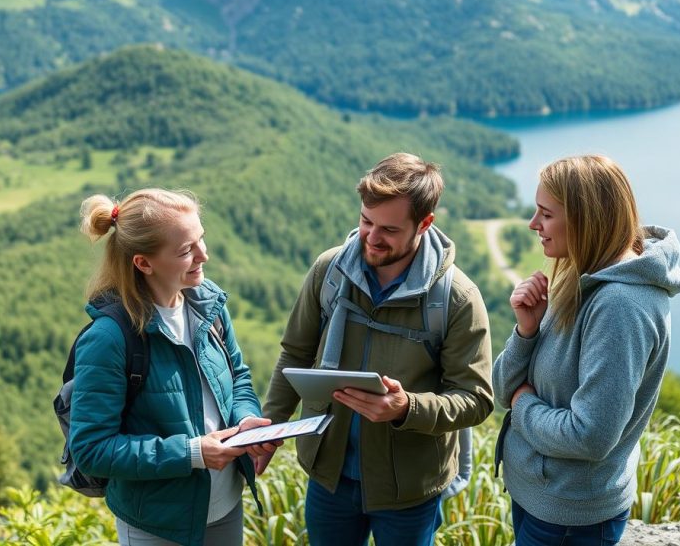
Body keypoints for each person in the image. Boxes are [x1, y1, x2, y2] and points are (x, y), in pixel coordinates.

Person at [258, 153, 494, 546]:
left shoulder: (456, 299)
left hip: (407, 489)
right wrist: (269, 430)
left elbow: (476, 400)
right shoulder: (329, 272)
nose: (371, 236)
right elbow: (295, 354)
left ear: (424, 224)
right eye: (366, 221)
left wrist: (407, 408)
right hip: (328, 475)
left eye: (388, 229)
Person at [492, 155, 680, 546]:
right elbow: (501, 390)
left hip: (569, 517)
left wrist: (523, 405)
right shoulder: (581, 276)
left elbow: (591, 436)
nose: (533, 225)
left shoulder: (619, 307)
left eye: (545, 215)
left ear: (584, 220)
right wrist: (526, 331)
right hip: (547, 500)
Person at [69, 188, 278, 546]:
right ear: (143, 263)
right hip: (158, 524)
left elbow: (238, 376)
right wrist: (192, 453)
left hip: (225, 505)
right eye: (186, 251)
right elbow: (91, 450)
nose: (204, 255)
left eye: (201, 240)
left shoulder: (207, 303)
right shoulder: (110, 339)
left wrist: (245, 421)